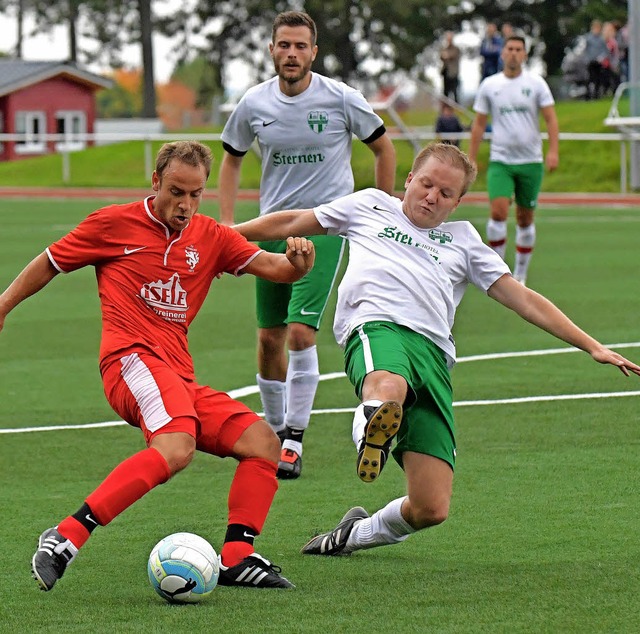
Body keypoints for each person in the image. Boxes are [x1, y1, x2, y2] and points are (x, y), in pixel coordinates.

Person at [231, 142, 640, 558]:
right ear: (409, 180)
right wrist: (227, 233)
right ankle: (370, 433)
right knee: (387, 385)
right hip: (377, 329)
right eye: (426, 184)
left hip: (435, 359)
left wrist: (591, 346)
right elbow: (292, 220)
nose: (431, 197)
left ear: (458, 202)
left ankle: (352, 534)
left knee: (430, 507)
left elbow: (525, 299)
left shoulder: (463, 241)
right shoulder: (370, 205)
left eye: (445, 194)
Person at [0, 141, 316, 592]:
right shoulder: (112, 223)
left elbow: (276, 268)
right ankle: (64, 538)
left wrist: (299, 264)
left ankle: (236, 557)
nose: (185, 205)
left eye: (195, 194)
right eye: (176, 191)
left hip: (177, 375)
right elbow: (50, 262)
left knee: (263, 442)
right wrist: (4, 305)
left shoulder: (212, 236)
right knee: (176, 445)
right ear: (155, 182)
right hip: (129, 359)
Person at [218, 10, 396, 480]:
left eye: (300, 46)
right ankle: (274, 432)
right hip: (272, 232)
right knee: (268, 338)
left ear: (313, 52)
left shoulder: (340, 97)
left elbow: (383, 146)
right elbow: (232, 159)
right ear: (272, 50)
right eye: (284, 45)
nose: (291, 53)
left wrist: (381, 207)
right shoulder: (254, 103)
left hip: (323, 229)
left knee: (300, 332)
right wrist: (230, 222)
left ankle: (294, 438)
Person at [468, 35, 559, 287]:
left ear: (525, 55)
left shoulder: (536, 84)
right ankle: (497, 271)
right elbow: (479, 123)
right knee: (497, 211)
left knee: (524, 218)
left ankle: (520, 273)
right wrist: (471, 158)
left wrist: (553, 151)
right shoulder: (490, 85)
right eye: (510, 49)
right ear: (502, 53)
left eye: (519, 49)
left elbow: (551, 119)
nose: (514, 53)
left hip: (531, 161)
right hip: (501, 161)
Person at [584, 19, 608, 100]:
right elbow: (586, 50)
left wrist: (601, 57)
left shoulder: (601, 39)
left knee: (598, 79)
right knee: (590, 78)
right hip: (591, 61)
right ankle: (588, 94)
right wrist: (587, 59)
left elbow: (605, 51)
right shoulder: (588, 38)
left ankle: (596, 95)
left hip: (599, 62)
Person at [439, 31, 461, 103]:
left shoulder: (456, 49)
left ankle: (457, 106)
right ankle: (445, 108)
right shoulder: (444, 48)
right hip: (446, 71)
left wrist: (446, 55)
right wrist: (445, 55)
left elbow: (451, 56)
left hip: (453, 72)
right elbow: (442, 56)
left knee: (454, 90)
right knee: (445, 91)